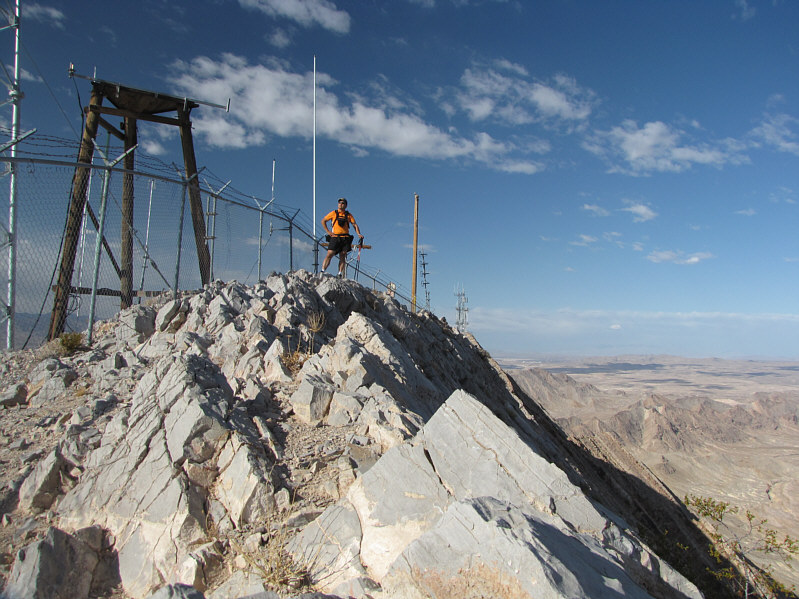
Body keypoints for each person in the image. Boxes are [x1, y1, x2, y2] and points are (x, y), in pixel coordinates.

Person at [321, 197, 363, 276]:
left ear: (346, 205)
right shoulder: (333, 213)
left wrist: (358, 233)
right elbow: (323, 221)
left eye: (343, 203)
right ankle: (322, 271)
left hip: (345, 238)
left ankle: (339, 273)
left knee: (343, 255)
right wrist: (328, 231)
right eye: (339, 203)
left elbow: (354, 225)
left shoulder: (349, 215)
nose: (340, 204)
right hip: (335, 237)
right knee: (330, 253)